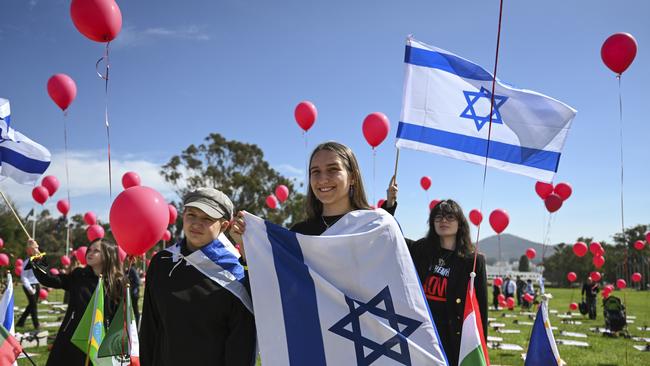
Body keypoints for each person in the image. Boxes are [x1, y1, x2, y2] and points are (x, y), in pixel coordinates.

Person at [140, 187, 256, 366]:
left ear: (224, 225)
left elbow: (241, 345)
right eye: (191, 214)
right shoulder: (161, 262)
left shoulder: (235, 274)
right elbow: (150, 329)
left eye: (207, 218)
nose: (196, 223)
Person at [381, 178, 488, 366]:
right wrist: (389, 204)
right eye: (438, 217)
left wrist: (480, 347)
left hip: (453, 336)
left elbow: (481, 308)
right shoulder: (421, 249)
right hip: (421, 331)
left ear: (460, 224)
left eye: (449, 217)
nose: (443, 221)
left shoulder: (473, 261)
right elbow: (390, 236)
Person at [231, 141, 395, 240]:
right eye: (315, 171)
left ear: (352, 177)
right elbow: (277, 285)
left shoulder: (374, 227)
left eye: (332, 169)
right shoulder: (299, 234)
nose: (323, 179)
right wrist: (247, 249)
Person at [27, 239, 124, 366]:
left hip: (100, 340)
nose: (90, 252)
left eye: (96, 251)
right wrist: (37, 255)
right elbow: (49, 279)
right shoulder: (79, 275)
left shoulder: (117, 283)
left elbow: (120, 318)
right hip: (71, 337)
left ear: (108, 255)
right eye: (90, 249)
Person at [17, 252, 40, 329]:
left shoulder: (39, 261)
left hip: (36, 284)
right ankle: (36, 325)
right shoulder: (27, 262)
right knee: (33, 306)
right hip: (30, 285)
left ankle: (20, 322)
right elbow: (23, 277)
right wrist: (29, 287)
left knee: (31, 305)